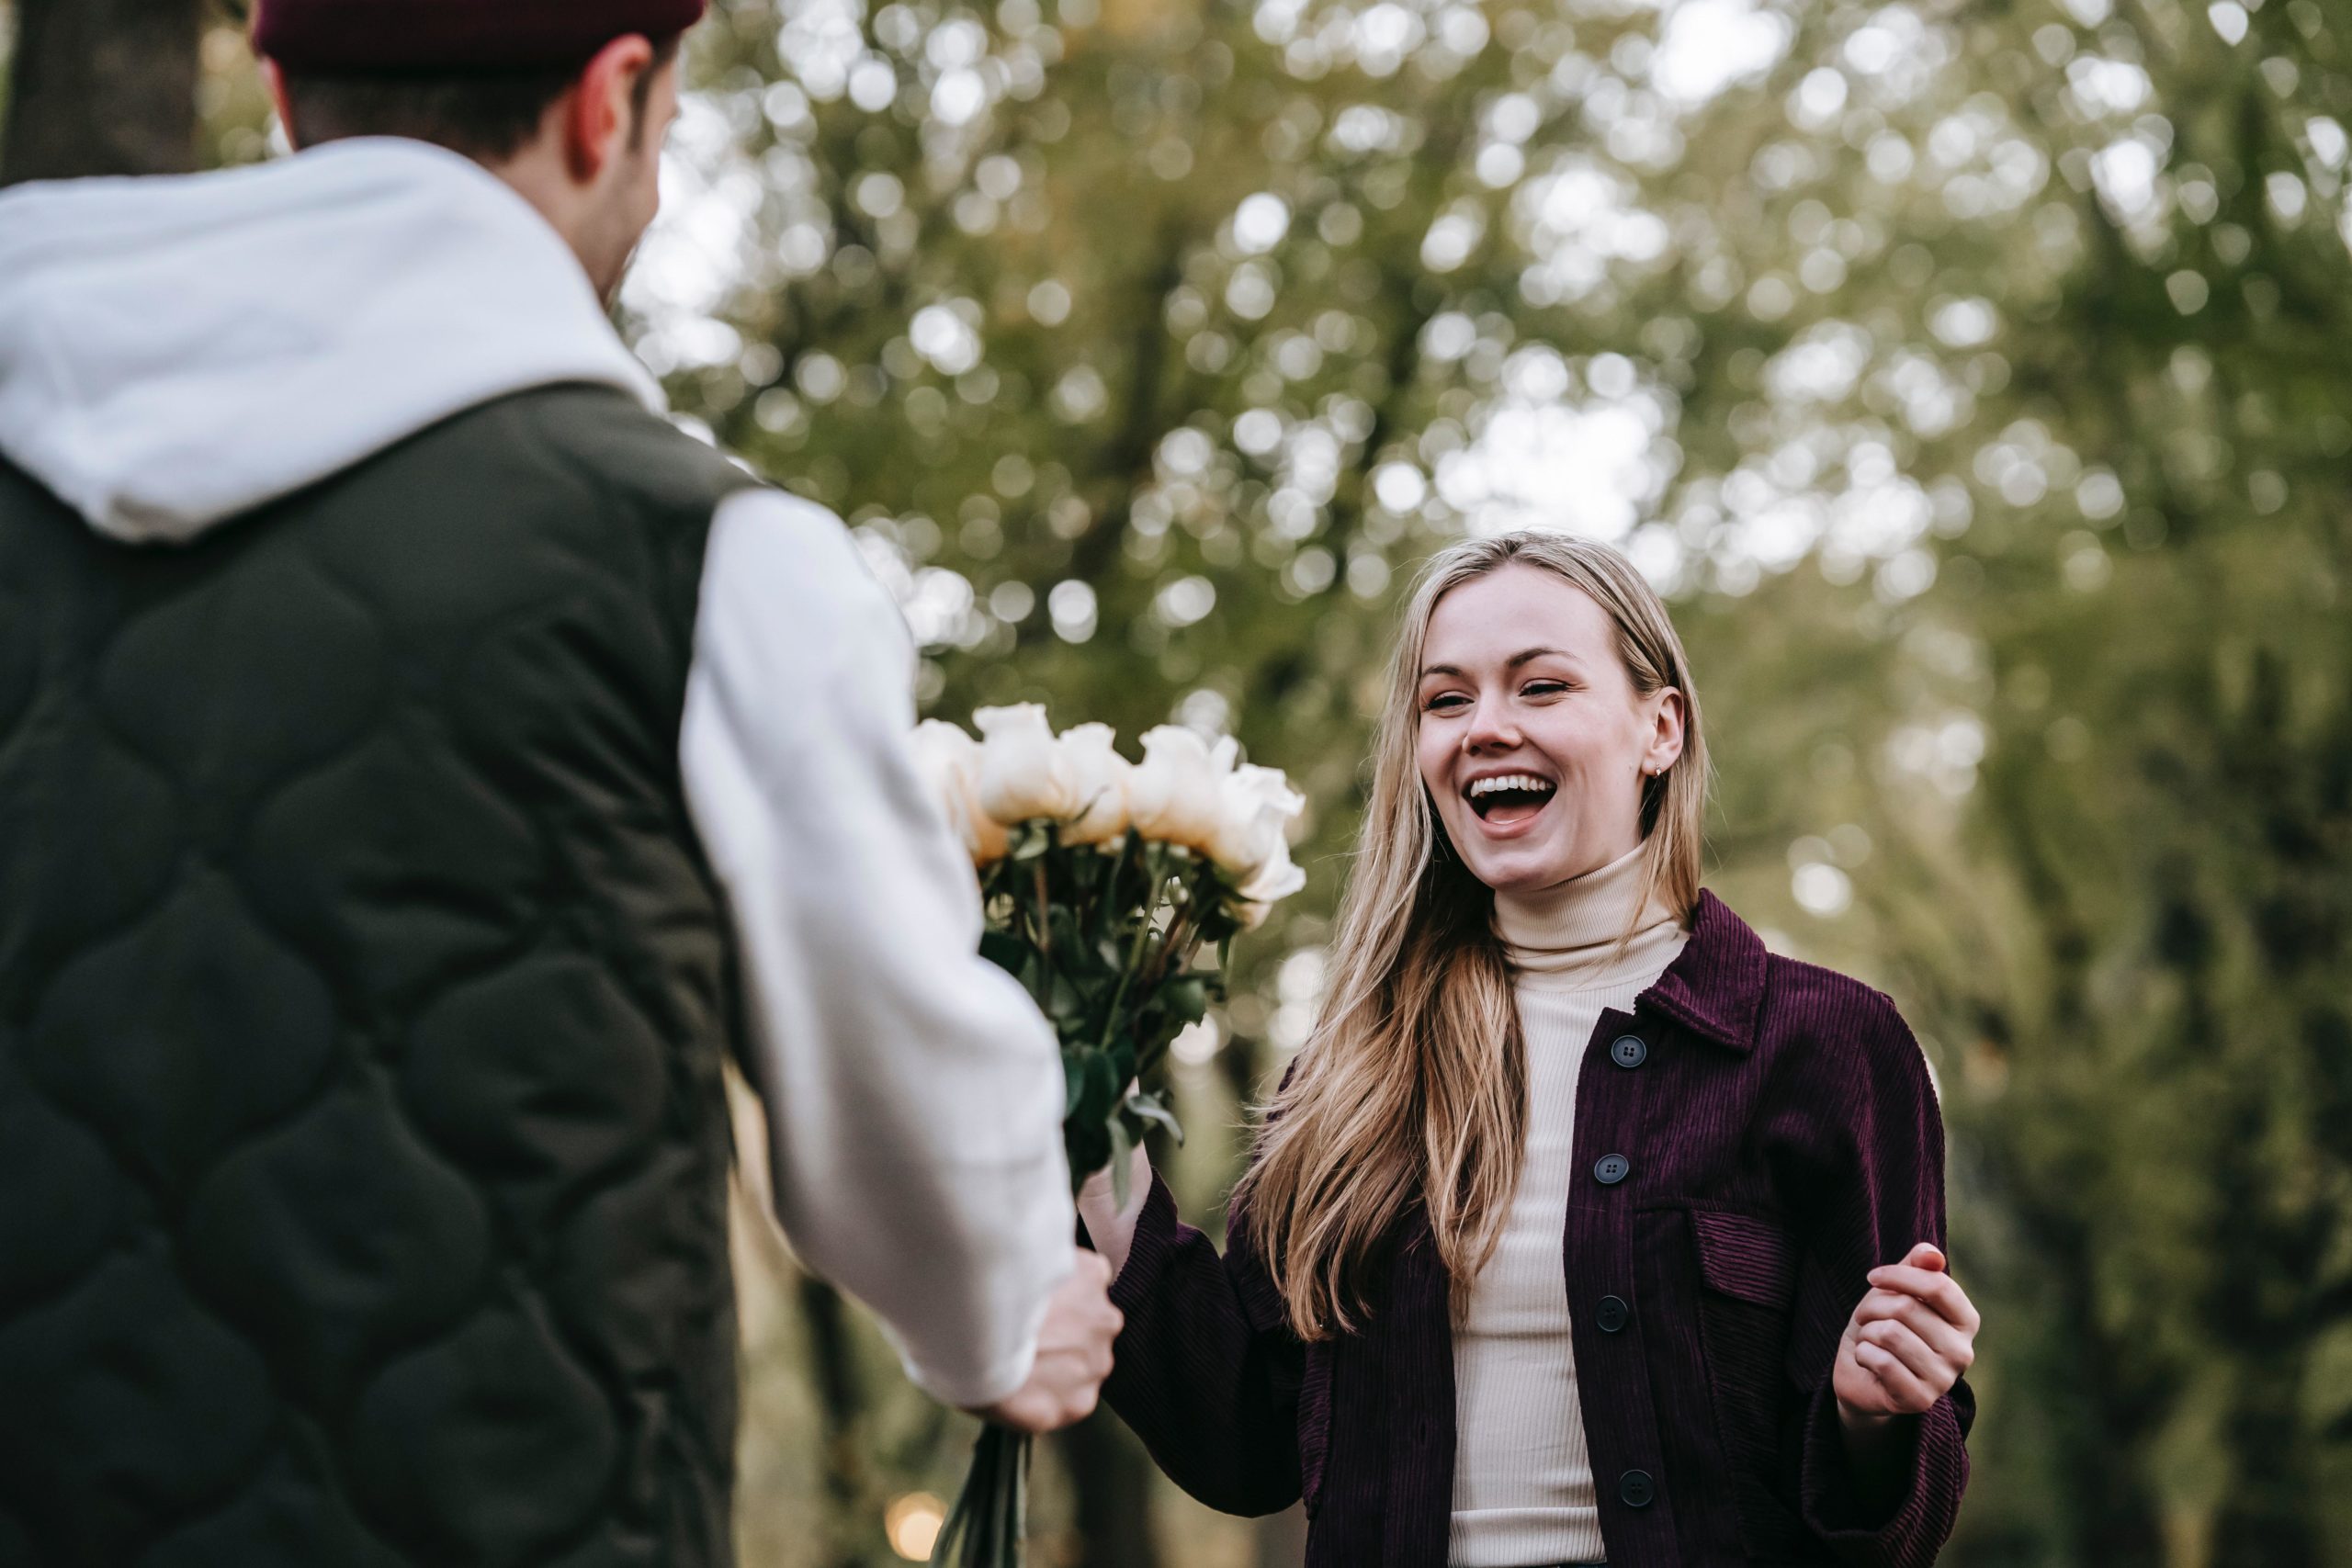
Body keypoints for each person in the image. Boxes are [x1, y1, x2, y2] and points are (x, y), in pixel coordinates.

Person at [0, 3, 1118, 1563]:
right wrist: (1006, 1315)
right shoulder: (709, 560)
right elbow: (900, 1109)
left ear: (273, 91)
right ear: (613, 103)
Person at [1080, 530, 1979, 1567]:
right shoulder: (1347, 1074)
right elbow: (1239, 1436)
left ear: (1660, 728)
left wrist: (1873, 1417)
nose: (1486, 729)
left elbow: (1891, 1530)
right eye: (1445, 700)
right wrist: (1087, 1125)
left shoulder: (1828, 1049)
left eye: (1540, 687)